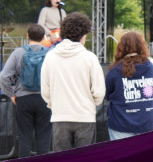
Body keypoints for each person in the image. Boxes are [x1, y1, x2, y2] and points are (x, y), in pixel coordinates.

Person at [40, 12, 105, 150]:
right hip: (85, 117)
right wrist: (89, 105)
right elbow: (99, 92)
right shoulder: (90, 58)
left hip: (59, 117)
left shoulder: (50, 57)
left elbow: (45, 91)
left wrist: (55, 105)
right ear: (84, 34)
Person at [0, 24, 52, 157]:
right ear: (43, 37)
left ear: (27, 36)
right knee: (44, 136)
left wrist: (11, 95)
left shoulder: (18, 52)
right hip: (44, 100)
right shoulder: (49, 53)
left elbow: (4, 76)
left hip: (23, 99)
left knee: (24, 136)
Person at [105, 31, 153, 139]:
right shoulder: (150, 67)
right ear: (142, 46)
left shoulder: (115, 69)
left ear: (121, 47)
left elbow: (106, 94)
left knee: (122, 156)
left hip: (120, 124)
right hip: (147, 123)